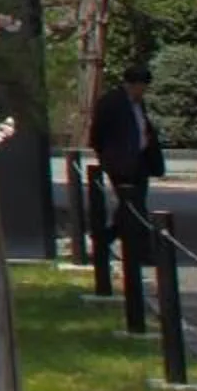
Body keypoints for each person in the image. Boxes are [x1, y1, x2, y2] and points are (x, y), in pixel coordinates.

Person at [86, 60, 164, 270]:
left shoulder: (139, 104)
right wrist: (108, 157)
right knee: (133, 205)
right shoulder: (111, 102)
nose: (143, 92)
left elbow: (142, 128)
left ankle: (110, 241)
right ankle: (128, 246)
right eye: (142, 87)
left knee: (133, 207)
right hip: (120, 163)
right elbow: (97, 135)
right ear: (133, 84)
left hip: (140, 161)